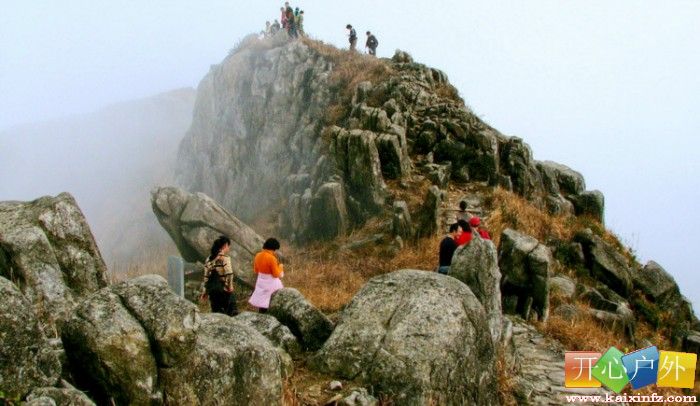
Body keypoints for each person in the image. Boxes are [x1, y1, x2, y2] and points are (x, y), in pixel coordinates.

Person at [200, 236, 238, 316]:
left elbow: (206, 277)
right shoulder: (225, 258)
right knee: (232, 313)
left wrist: (205, 291)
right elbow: (229, 273)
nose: (229, 248)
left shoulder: (208, 259)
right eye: (228, 246)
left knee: (217, 314)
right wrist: (230, 286)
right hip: (224, 290)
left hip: (213, 291)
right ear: (225, 245)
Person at [249, 238, 285, 313]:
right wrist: (280, 267)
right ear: (274, 248)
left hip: (261, 281)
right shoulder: (272, 258)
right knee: (274, 299)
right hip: (270, 283)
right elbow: (276, 275)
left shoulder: (258, 255)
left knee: (262, 302)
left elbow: (256, 270)